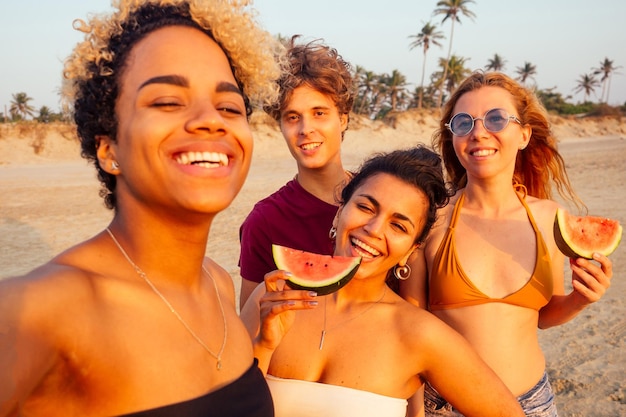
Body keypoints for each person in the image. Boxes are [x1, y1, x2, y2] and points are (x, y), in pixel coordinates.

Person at [0, 1, 283, 416]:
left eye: (229, 107)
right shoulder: (41, 308)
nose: (211, 120)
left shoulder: (219, 285)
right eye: (168, 101)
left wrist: (263, 345)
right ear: (109, 149)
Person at [240, 146, 526, 417]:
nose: (374, 229)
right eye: (366, 207)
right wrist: (263, 346)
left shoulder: (420, 334)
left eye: (399, 226)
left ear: (411, 251)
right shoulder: (273, 298)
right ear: (340, 212)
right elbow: (228, 406)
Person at [399, 71, 614, 416]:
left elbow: (542, 317)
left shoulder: (549, 218)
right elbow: (409, 325)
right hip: (444, 406)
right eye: (463, 122)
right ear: (453, 137)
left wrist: (579, 299)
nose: (479, 132)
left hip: (531, 404)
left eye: (496, 118)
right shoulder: (433, 219)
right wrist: (415, 411)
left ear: (524, 134)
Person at [238, 36, 355, 308]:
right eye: (292, 117)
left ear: (343, 118)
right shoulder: (264, 221)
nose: (305, 129)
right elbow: (248, 327)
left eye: (319, 113)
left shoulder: (378, 200)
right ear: (279, 125)